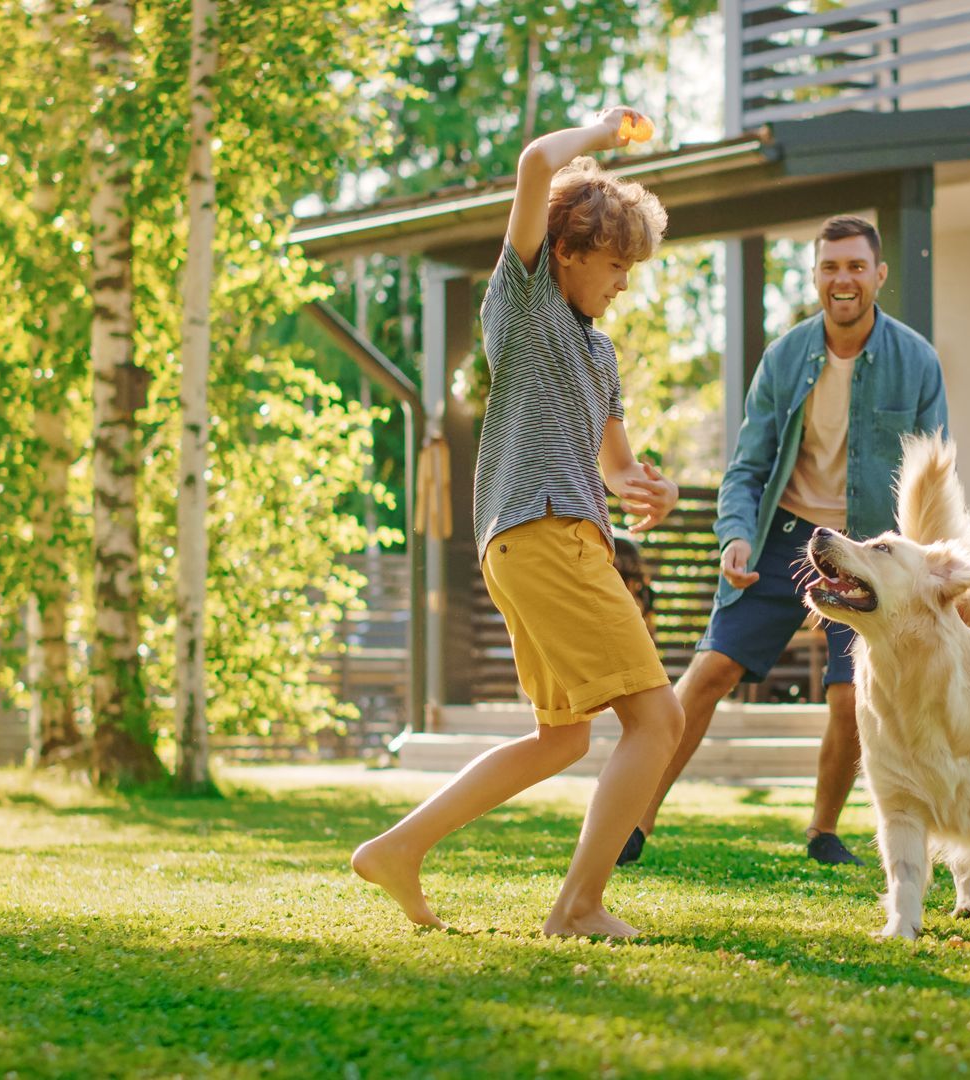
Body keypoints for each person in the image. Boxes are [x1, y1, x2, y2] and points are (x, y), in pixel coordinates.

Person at [351, 107, 684, 938]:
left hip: (544, 537)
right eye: (613, 263)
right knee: (658, 719)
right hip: (545, 531)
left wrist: (653, 491)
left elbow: (618, 467)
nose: (621, 282)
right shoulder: (525, 303)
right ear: (566, 251)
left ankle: (399, 849)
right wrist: (604, 137)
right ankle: (577, 907)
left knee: (562, 739)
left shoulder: (600, 353)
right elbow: (537, 162)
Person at [623, 214, 948, 867]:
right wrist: (736, 537)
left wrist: (923, 570)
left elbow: (932, 483)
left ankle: (823, 833)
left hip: (864, 550)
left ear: (879, 275)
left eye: (856, 266)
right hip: (785, 536)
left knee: (854, 695)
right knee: (709, 672)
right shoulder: (785, 357)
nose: (843, 279)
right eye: (831, 267)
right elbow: (745, 469)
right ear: (816, 278)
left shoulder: (918, 362)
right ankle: (633, 820)